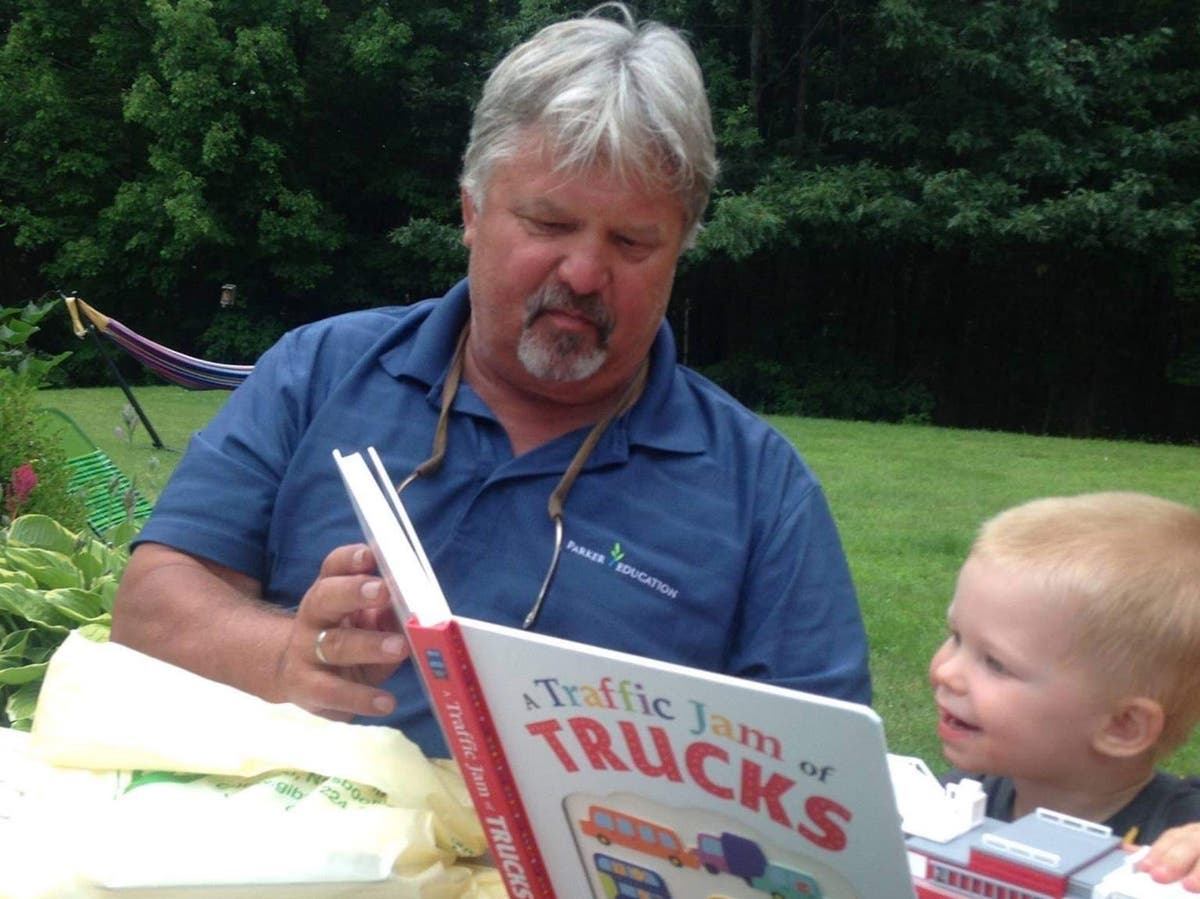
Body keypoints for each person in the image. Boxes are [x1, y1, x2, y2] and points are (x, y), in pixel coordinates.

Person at [111, 3, 871, 759]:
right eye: (548, 224)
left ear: (681, 252)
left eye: (632, 241)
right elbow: (150, 607)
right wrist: (285, 658)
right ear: (472, 211)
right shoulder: (319, 372)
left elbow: (827, 771)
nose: (582, 272)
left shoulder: (760, 493)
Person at [930, 491, 1200, 889]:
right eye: (956, 636)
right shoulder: (947, 803)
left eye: (996, 663)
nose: (946, 672)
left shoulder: (1180, 848)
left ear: (1122, 726)